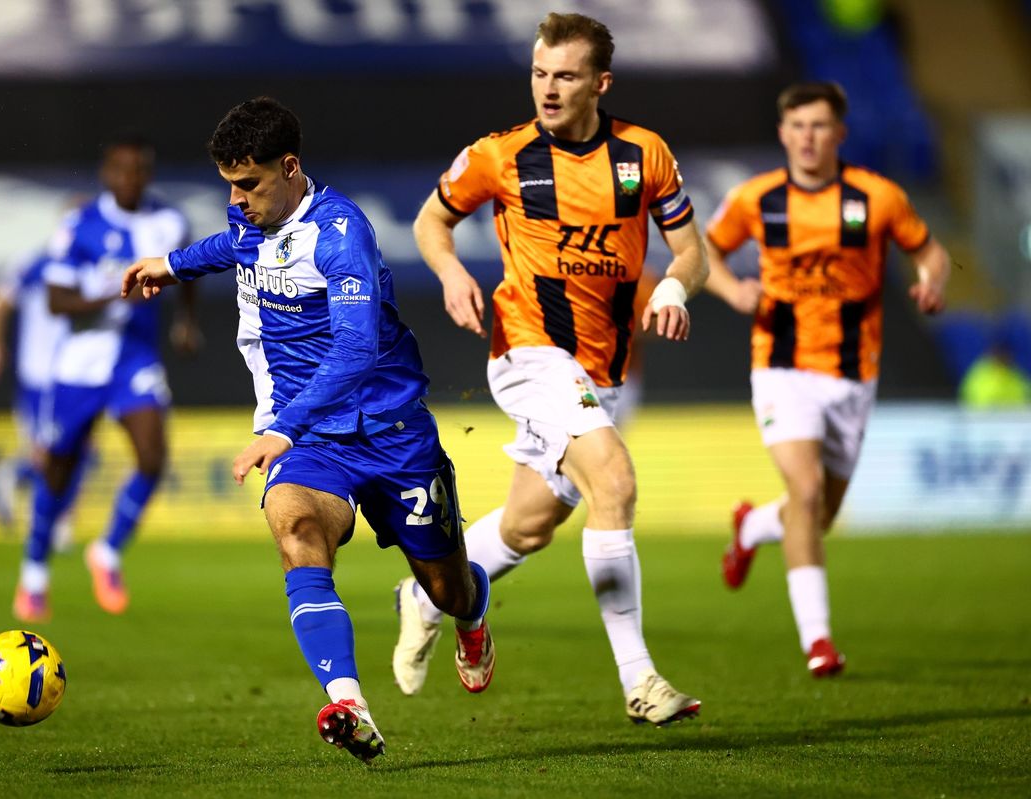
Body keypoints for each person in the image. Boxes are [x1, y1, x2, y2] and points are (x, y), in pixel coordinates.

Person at [121, 97, 493, 763]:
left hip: (392, 433)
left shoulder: (341, 233)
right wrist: (172, 265)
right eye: (228, 185)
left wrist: (282, 430)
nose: (236, 200)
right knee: (295, 527)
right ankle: (349, 703)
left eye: (248, 183)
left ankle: (470, 614)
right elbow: (235, 246)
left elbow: (355, 349)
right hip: (314, 440)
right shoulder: (250, 216)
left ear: (290, 167)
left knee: (448, 587)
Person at [395, 11, 706, 726]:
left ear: (601, 83)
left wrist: (673, 288)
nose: (549, 88)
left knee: (527, 528)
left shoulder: (644, 154)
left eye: (566, 75)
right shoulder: (501, 155)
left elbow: (694, 252)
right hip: (529, 351)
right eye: (539, 73)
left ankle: (422, 596)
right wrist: (450, 273)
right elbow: (430, 222)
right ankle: (640, 678)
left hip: (605, 369)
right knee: (614, 481)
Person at [703, 81, 951, 676]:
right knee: (807, 492)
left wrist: (932, 282)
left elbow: (930, 251)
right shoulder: (755, 198)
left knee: (818, 515)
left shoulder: (877, 197)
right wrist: (731, 289)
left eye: (819, 126)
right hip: (782, 368)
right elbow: (702, 251)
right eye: (797, 126)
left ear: (839, 133)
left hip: (853, 375)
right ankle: (818, 641)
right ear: (783, 133)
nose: (808, 137)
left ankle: (752, 526)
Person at [12, 134, 199, 623]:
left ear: (148, 174)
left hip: (133, 359)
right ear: (106, 174)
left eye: (139, 169)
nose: (130, 178)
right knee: (59, 469)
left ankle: (108, 550)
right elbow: (57, 301)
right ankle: (34, 572)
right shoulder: (79, 226)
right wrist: (118, 293)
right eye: (122, 169)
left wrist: (185, 320)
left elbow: (188, 270)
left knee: (153, 456)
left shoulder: (169, 222)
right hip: (77, 364)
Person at [0, 247, 81, 550]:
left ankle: (56, 517)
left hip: (77, 372)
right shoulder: (36, 264)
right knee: (46, 451)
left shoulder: (91, 260)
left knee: (78, 447)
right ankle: (19, 482)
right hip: (41, 373)